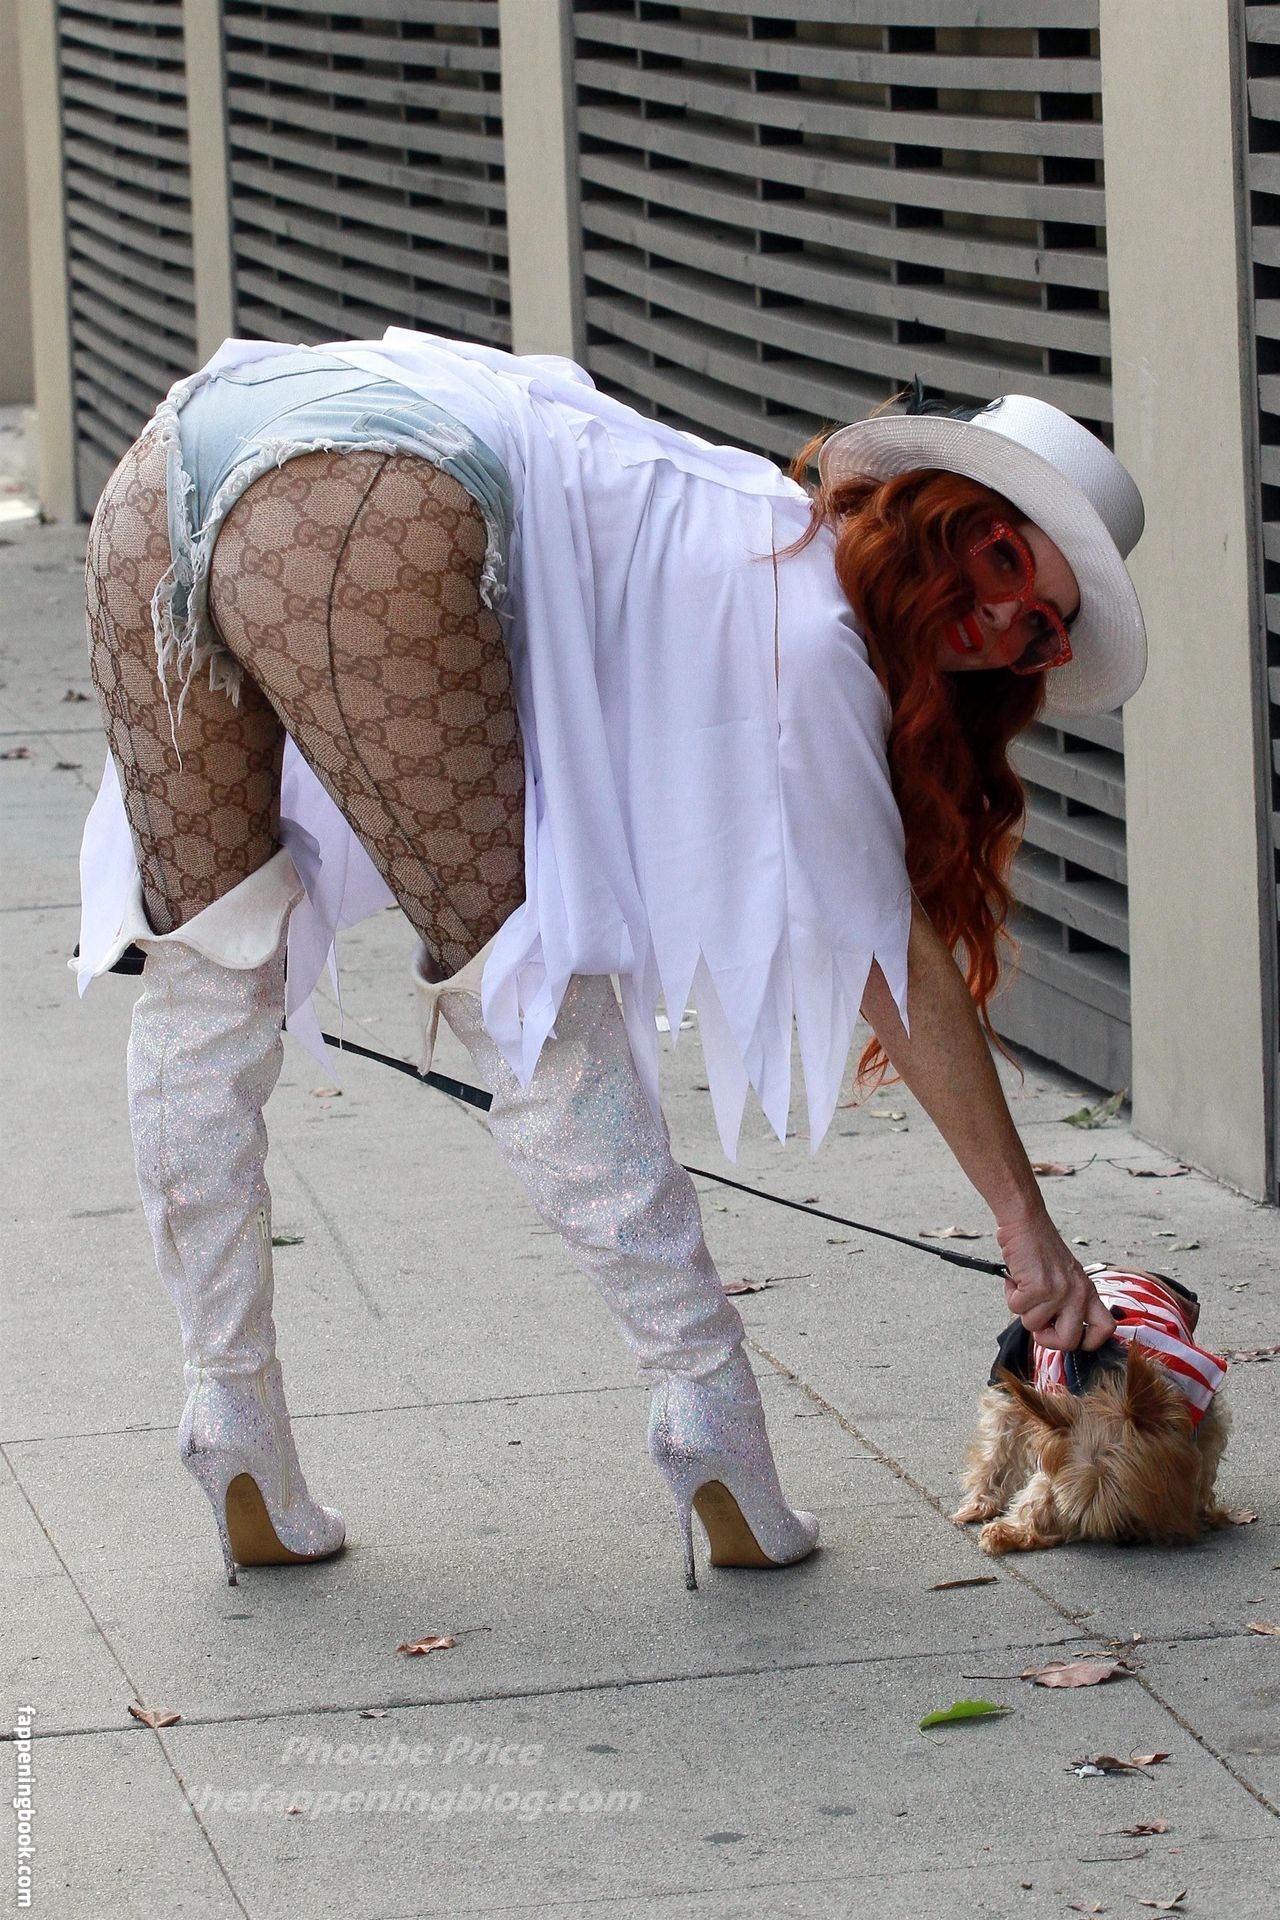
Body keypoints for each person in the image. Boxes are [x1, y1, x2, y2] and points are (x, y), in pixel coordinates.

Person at [72, 329, 1146, 1590]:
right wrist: (1028, 1235)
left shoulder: (728, 522)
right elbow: (892, 960)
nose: (1007, 614)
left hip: (179, 455)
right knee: (524, 985)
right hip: (369, 485)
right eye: (1004, 555)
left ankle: (230, 1420)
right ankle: (708, 1414)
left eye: (1041, 635)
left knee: (206, 972)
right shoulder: (805, 619)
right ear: (933, 509)